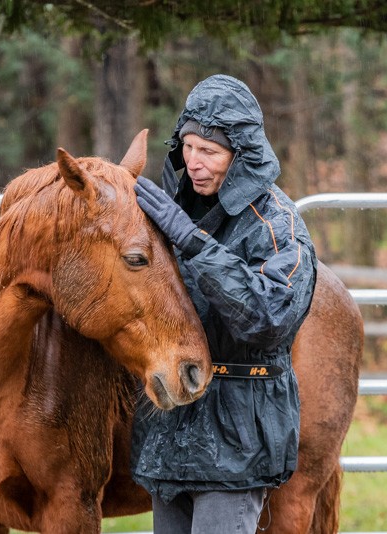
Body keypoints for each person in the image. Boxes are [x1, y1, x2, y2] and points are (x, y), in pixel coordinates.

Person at [131, 74, 317, 534]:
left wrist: (191, 243)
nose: (194, 163)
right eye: (189, 147)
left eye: (210, 152)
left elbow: (269, 318)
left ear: (241, 157)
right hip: (171, 428)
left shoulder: (276, 224)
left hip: (239, 432)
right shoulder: (171, 210)